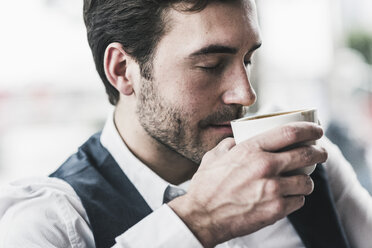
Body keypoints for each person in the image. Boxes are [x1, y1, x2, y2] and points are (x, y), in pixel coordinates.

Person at [0, 0, 371, 247]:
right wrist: (199, 219)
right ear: (122, 70)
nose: (245, 95)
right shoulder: (47, 223)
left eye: (247, 60)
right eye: (210, 65)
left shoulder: (298, 160)